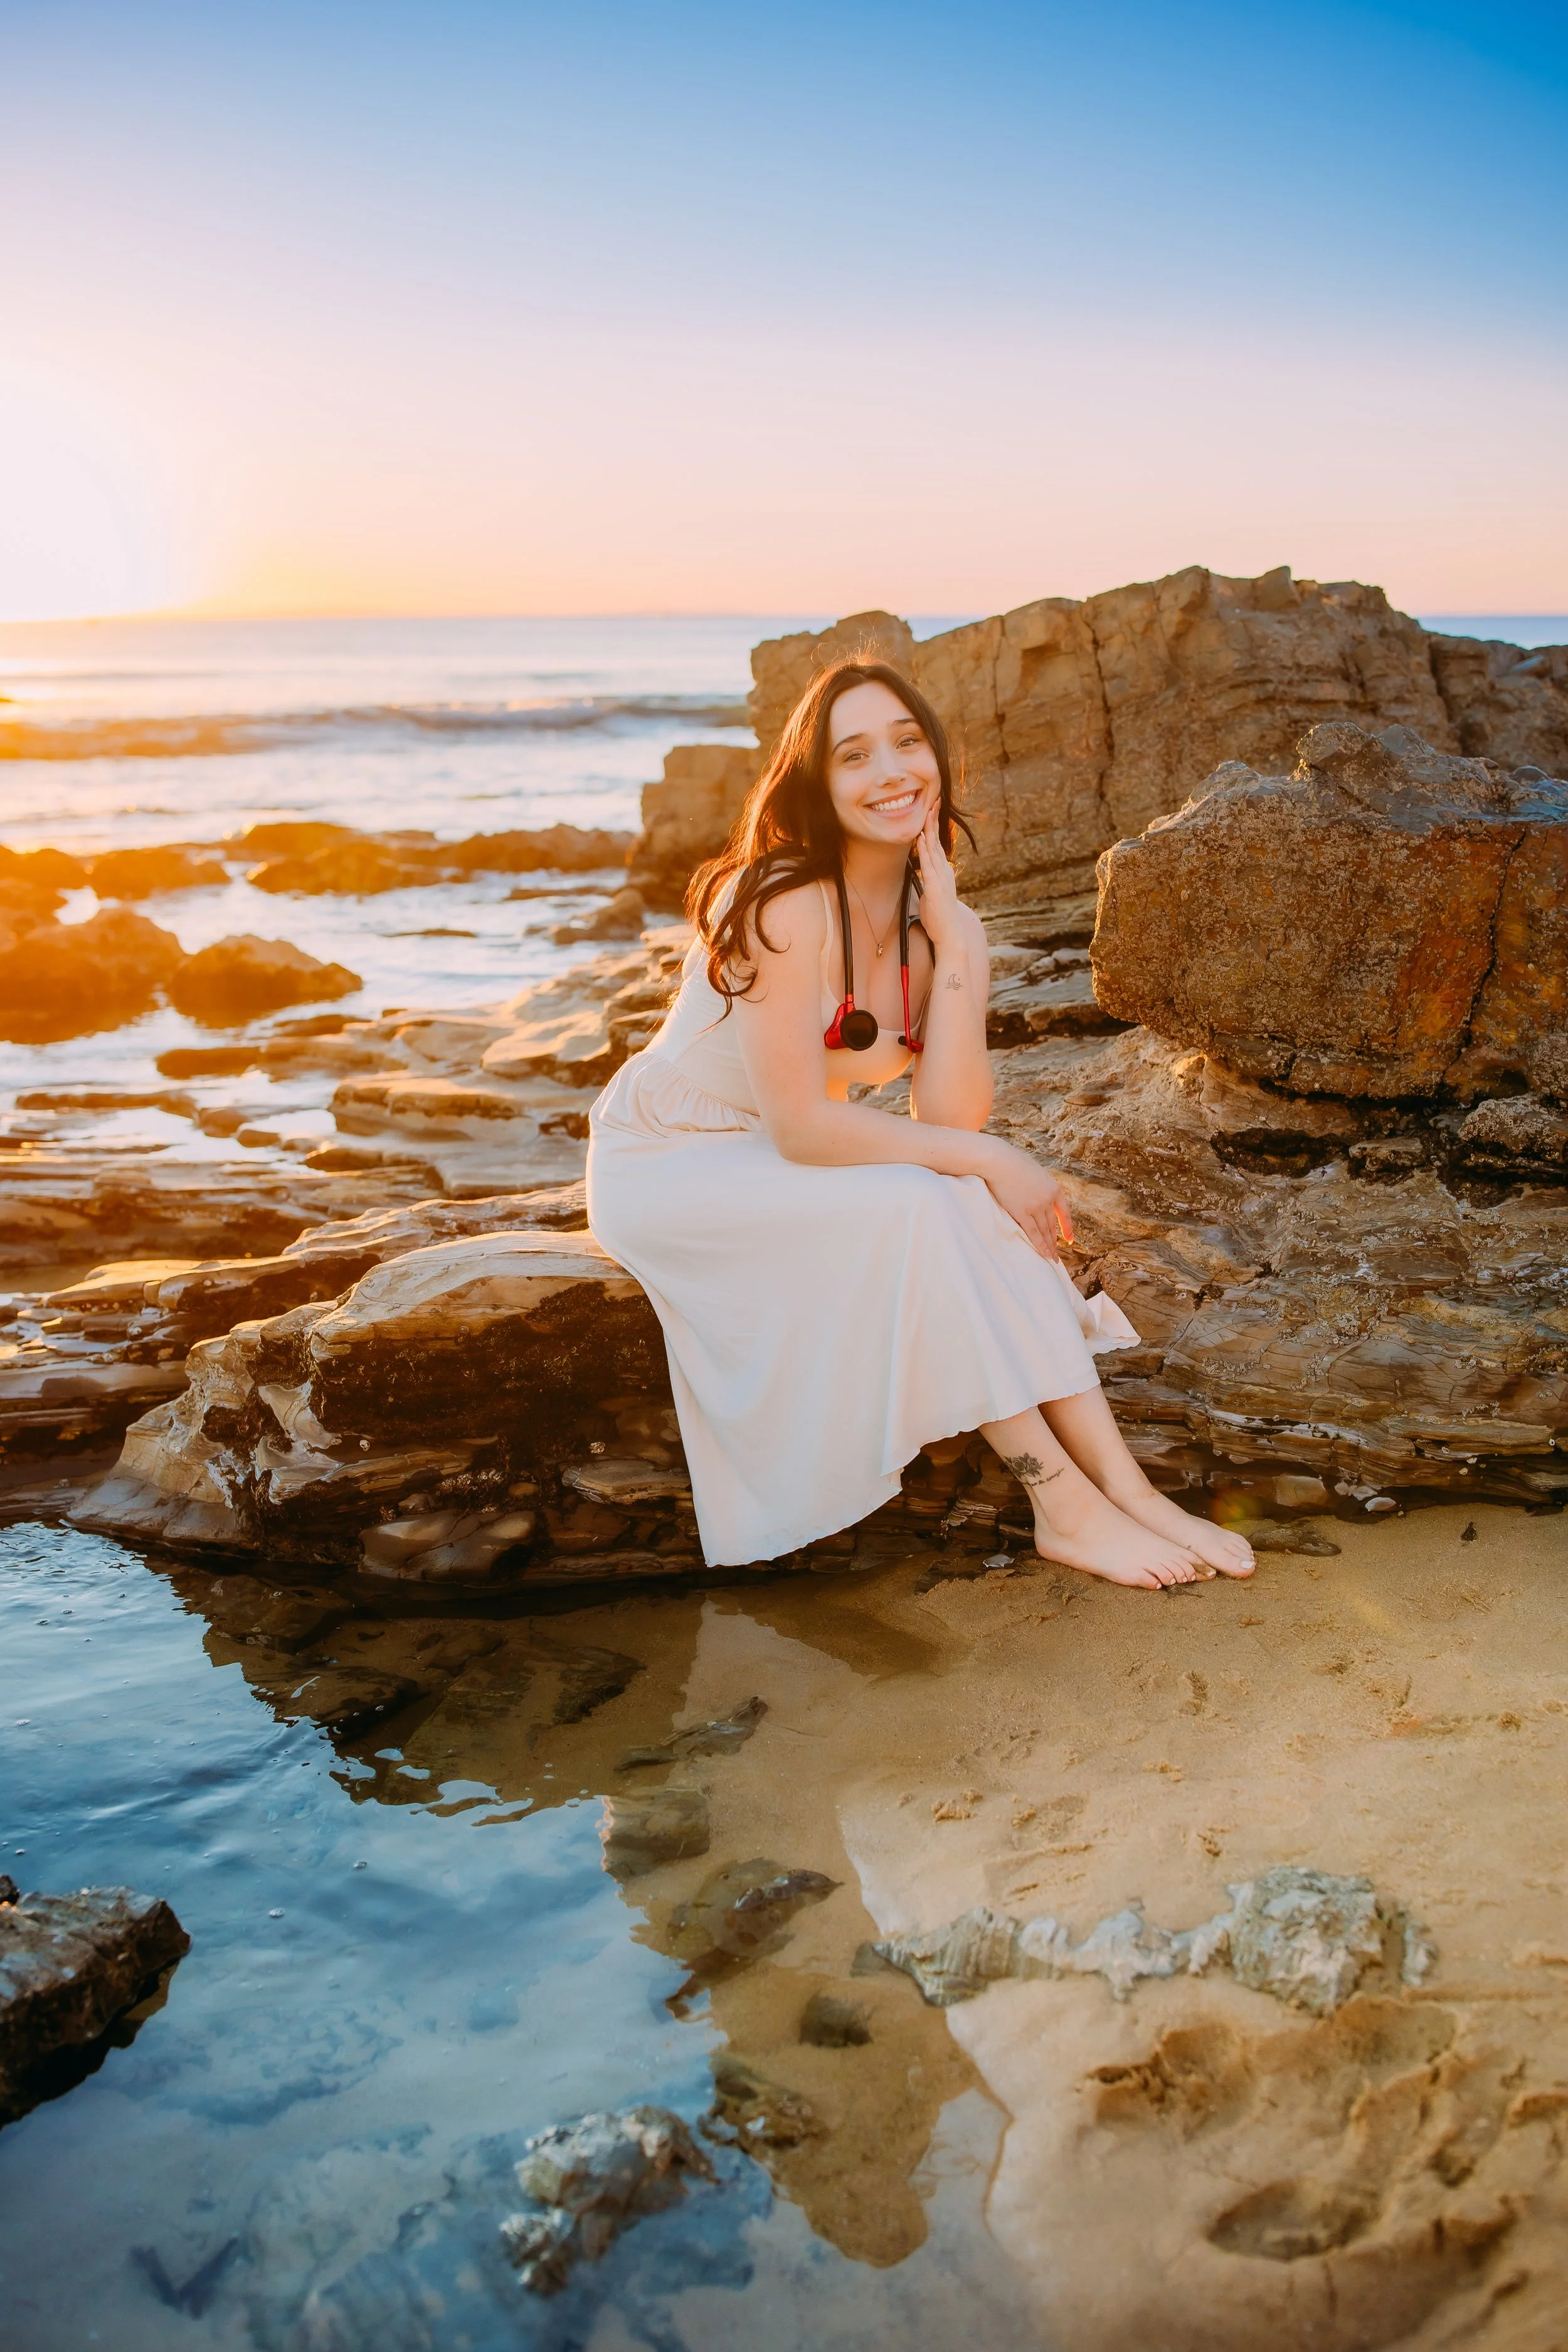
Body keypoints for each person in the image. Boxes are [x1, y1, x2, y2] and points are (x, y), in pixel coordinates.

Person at [587, 659, 1254, 1591]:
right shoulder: (779, 898)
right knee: (925, 1200)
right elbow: (804, 1128)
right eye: (855, 754)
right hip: (669, 1162)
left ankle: (1132, 1493)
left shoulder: (933, 920)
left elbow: (945, 1111)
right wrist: (987, 1157)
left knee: (954, 1200)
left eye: (907, 741)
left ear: (937, 756)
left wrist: (956, 945)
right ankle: (1063, 1505)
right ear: (819, 784)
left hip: (776, 1152)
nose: (892, 770)